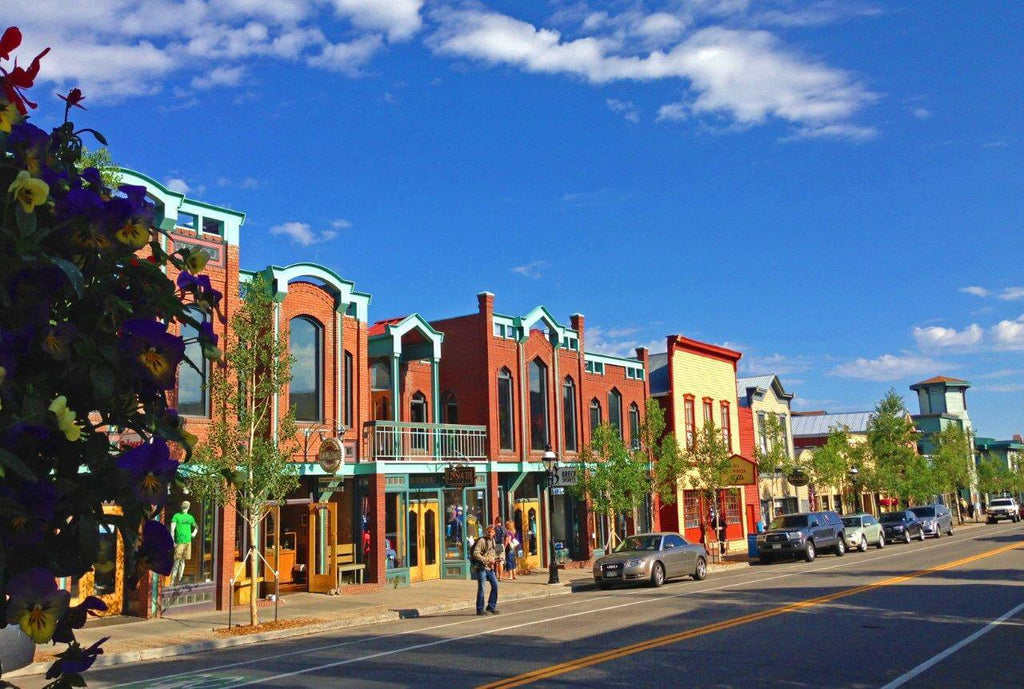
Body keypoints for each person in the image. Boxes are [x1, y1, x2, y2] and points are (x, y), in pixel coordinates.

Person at [471, 525, 500, 615]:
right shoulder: (481, 541)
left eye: (492, 532)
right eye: (488, 532)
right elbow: (475, 553)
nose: (490, 533)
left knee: (495, 585)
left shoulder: (493, 541)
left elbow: (493, 553)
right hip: (481, 567)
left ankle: (491, 606)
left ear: (494, 533)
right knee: (482, 589)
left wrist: (497, 558)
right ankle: (479, 609)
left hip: (490, 568)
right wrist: (486, 559)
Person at [170, 500, 198, 586]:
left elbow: (196, 526)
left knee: (183, 561)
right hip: (179, 542)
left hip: (187, 541)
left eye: (185, 508)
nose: (184, 509)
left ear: (188, 508)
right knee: (176, 561)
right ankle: (172, 582)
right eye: (183, 507)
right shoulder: (176, 516)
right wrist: (173, 540)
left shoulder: (190, 517)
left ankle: (179, 579)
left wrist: (194, 533)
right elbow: (172, 529)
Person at [492, 517, 506, 581]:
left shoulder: (494, 529)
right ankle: (500, 576)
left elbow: (492, 537)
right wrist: (504, 545)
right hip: (501, 545)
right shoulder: (504, 529)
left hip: (495, 545)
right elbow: (507, 538)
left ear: (497, 521)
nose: (494, 521)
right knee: (500, 562)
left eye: (495, 520)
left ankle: (494, 575)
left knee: (495, 561)